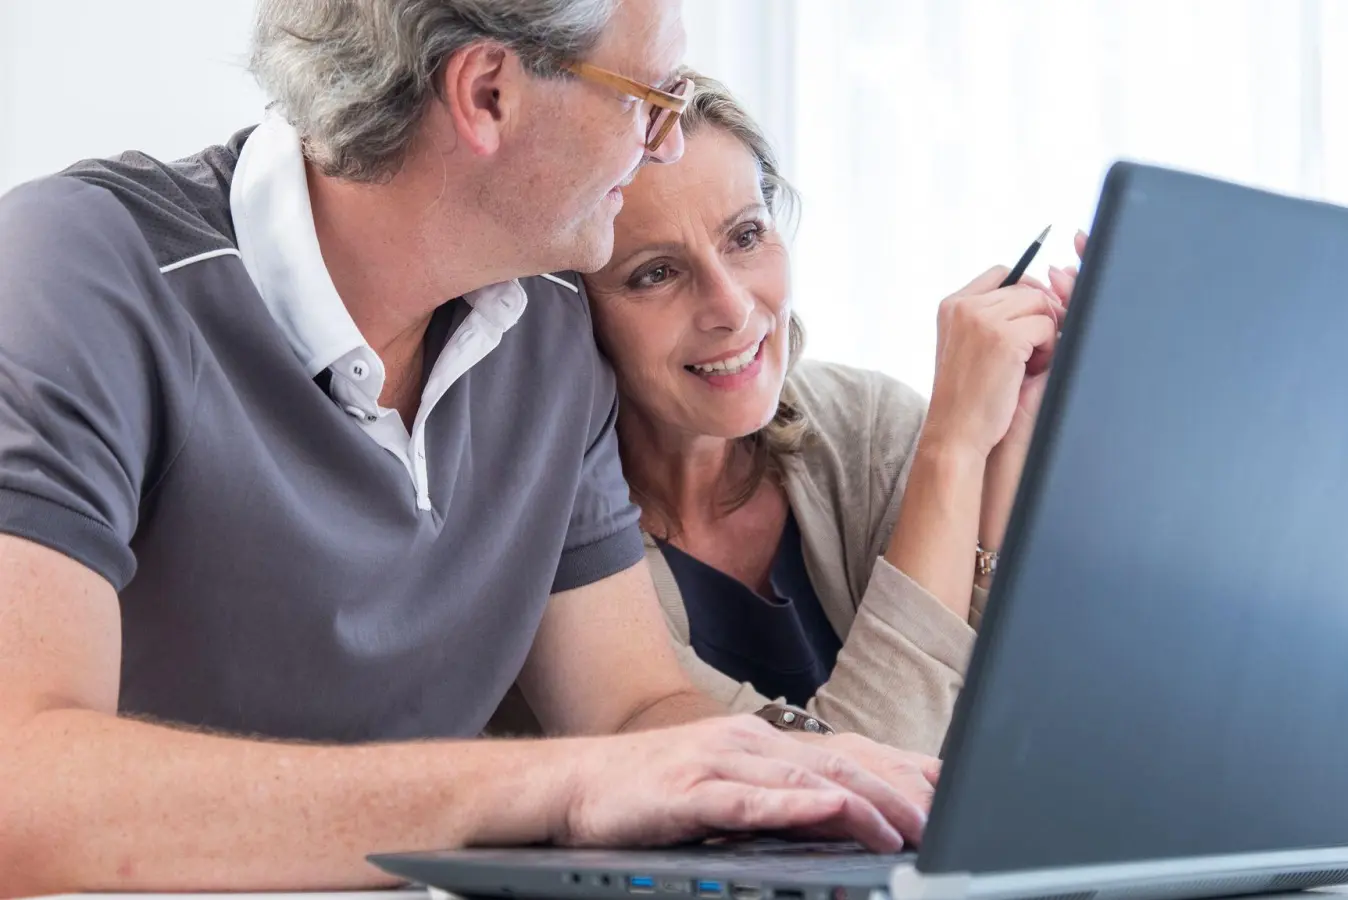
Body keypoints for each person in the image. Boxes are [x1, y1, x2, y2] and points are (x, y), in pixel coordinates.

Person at [0, 3, 937, 895]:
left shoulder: (551, 330)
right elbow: (20, 787)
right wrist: (553, 788)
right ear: (488, 92)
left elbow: (630, 712)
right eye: (650, 101)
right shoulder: (81, 274)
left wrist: (811, 773)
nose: (669, 141)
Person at [572, 72, 1083, 756]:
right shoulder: (570, 551)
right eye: (655, 273)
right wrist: (953, 451)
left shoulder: (863, 426)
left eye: (746, 236)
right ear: (573, 312)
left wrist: (1008, 441)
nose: (731, 307)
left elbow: (1019, 738)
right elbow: (841, 791)